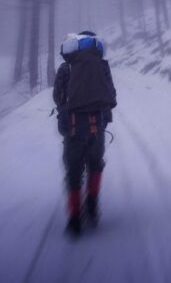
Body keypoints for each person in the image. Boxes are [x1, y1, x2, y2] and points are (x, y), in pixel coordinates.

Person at [53, 30, 117, 236]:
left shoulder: (65, 68)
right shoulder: (102, 66)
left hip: (72, 128)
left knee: (73, 171)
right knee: (95, 165)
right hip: (96, 126)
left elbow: (57, 97)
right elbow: (111, 95)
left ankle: (74, 219)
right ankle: (92, 207)